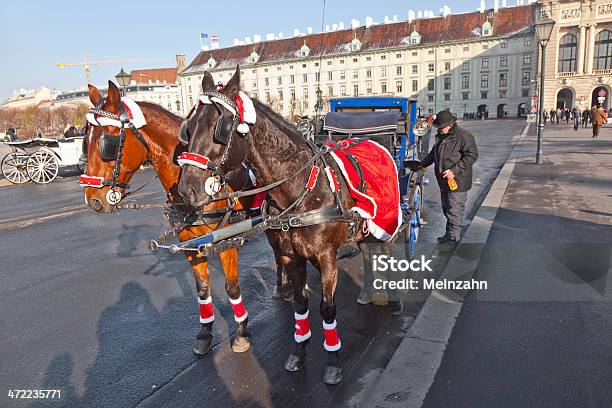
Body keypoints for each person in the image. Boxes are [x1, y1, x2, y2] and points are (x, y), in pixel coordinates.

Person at [417, 110, 478, 251]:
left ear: (450, 125)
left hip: (458, 180)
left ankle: (454, 239)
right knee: (447, 209)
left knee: (454, 211)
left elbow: (472, 156)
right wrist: (421, 164)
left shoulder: (463, 136)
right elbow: (434, 154)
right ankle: (449, 234)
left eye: (442, 127)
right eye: (438, 127)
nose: (440, 130)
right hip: (444, 181)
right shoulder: (441, 135)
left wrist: (453, 171)